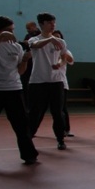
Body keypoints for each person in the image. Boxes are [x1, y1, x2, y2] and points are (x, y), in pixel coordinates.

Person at [0, 16, 39, 164]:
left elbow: (20, 71)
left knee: (22, 125)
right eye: (7, 31)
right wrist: (2, 37)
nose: (11, 33)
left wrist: (25, 60)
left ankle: (29, 154)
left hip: (14, 89)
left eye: (12, 30)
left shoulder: (16, 46)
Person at [27, 13, 69, 150]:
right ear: (42, 24)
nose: (53, 25)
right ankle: (29, 136)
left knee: (58, 112)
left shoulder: (60, 42)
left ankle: (60, 139)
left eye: (54, 23)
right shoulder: (34, 39)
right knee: (35, 111)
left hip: (56, 81)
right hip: (38, 82)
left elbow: (63, 58)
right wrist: (51, 39)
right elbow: (36, 46)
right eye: (50, 23)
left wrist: (59, 63)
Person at [52, 30, 75, 138]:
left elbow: (70, 60)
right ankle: (32, 129)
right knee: (39, 108)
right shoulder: (45, 49)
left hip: (61, 82)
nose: (57, 39)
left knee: (62, 108)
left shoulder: (65, 51)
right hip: (45, 82)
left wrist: (63, 54)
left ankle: (65, 129)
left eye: (59, 37)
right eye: (54, 37)